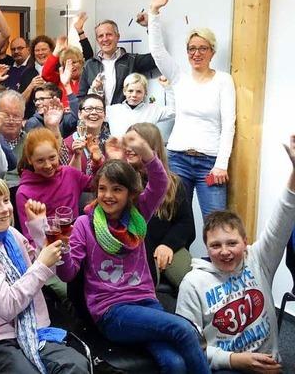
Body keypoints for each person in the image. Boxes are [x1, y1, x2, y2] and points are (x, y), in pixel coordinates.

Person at [56, 130, 209, 374]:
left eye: (117, 189)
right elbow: (67, 274)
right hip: (111, 311)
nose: (108, 196)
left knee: (175, 363)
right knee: (184, 330)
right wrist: (61, 252)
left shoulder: (138, 217)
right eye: (103, 189)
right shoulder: (84, 224)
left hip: (147, 303)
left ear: (129, 195)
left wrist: (146, 152)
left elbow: (160, 182)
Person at [176, 135, 295, 374]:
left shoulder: (258, 259)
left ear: (245, 243)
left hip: (268, 365)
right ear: (206, 247)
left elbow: (282, 216)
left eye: (232, 243)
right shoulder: (193, 283)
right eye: (215, 245)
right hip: (225, 367)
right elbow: (188, 346)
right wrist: (235, 360)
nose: (225, 251)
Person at [0, 174, 90, 373]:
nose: (4, 209)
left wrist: (38, 229)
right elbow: (8, 305)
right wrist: (43, 264)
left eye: (5, 200)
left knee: (75, 366)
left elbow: (47, 272)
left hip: (33, 330)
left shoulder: (12, 235)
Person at [148, 0, 236, 218]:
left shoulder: (223, 81)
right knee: (172, 218)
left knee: (215, 222)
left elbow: (229, 125)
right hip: (178, 159)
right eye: (192, 49)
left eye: (203, 48)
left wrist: (222, 164)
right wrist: (154, 13)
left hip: (210, 162)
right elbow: (157, 51)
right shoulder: (179, 78)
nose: (196, 53)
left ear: (212, 52)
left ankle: (211, 258)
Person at [124, 123, 195, 290]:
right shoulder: (121, 182)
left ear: (151, 147)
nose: (130, 148)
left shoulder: (174, 183)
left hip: (168, 247)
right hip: (134, 250)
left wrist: (168, 245)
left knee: (192, 282)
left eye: (136, 143)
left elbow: (186, 224)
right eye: (128, 142)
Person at [15, 128, 94, 244]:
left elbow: (100, 185)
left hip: (80, 244)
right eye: (40, 161)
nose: (47, 165)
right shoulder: (24, 192)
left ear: (58, 153)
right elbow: (30, 238)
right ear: (30, 160)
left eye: (52, 158)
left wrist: (98, 162)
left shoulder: (69, 174)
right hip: (50, 252)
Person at [79, 18, 157, 106]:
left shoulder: (132, 60)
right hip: (97, 118)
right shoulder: (89, 65)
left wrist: (150, 26)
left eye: (109, 34)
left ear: (117, 37)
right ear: (97, 40)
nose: (105, 39)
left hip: (124, 118)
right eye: (101, 36)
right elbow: (81, 98)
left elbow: (158, 57)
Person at [106, 73, 175, 137]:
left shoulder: (153, 110)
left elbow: (173, 111)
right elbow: (96, 110)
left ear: (145, 93)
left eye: (139, 91)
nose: (134, 95)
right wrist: (96, 89)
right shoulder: (112, 110)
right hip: (118, 149)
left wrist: (168, 88)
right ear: (124, 91)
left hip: (144, 150)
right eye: (130, 91)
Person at [62, 94, 110, 174]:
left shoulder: (111, 143)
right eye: (88, 109)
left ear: (104, 115)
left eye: (99, 109)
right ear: (79, 114)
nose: (94, 112)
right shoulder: (67, 144)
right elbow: (67, 178)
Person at [0, 90, 27, 187]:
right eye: (6, 115)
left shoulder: (31, 143)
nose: (11, 120)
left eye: (16, 116)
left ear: (23, 117)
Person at [19, 35, 53, 119]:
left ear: (51, 51)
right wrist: (31, 86)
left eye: (44, 49)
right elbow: (19, 103)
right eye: (37, 50)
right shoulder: (27, 73)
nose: (40, 53)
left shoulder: (58, 70)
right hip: (32, 118)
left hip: (55, 115)